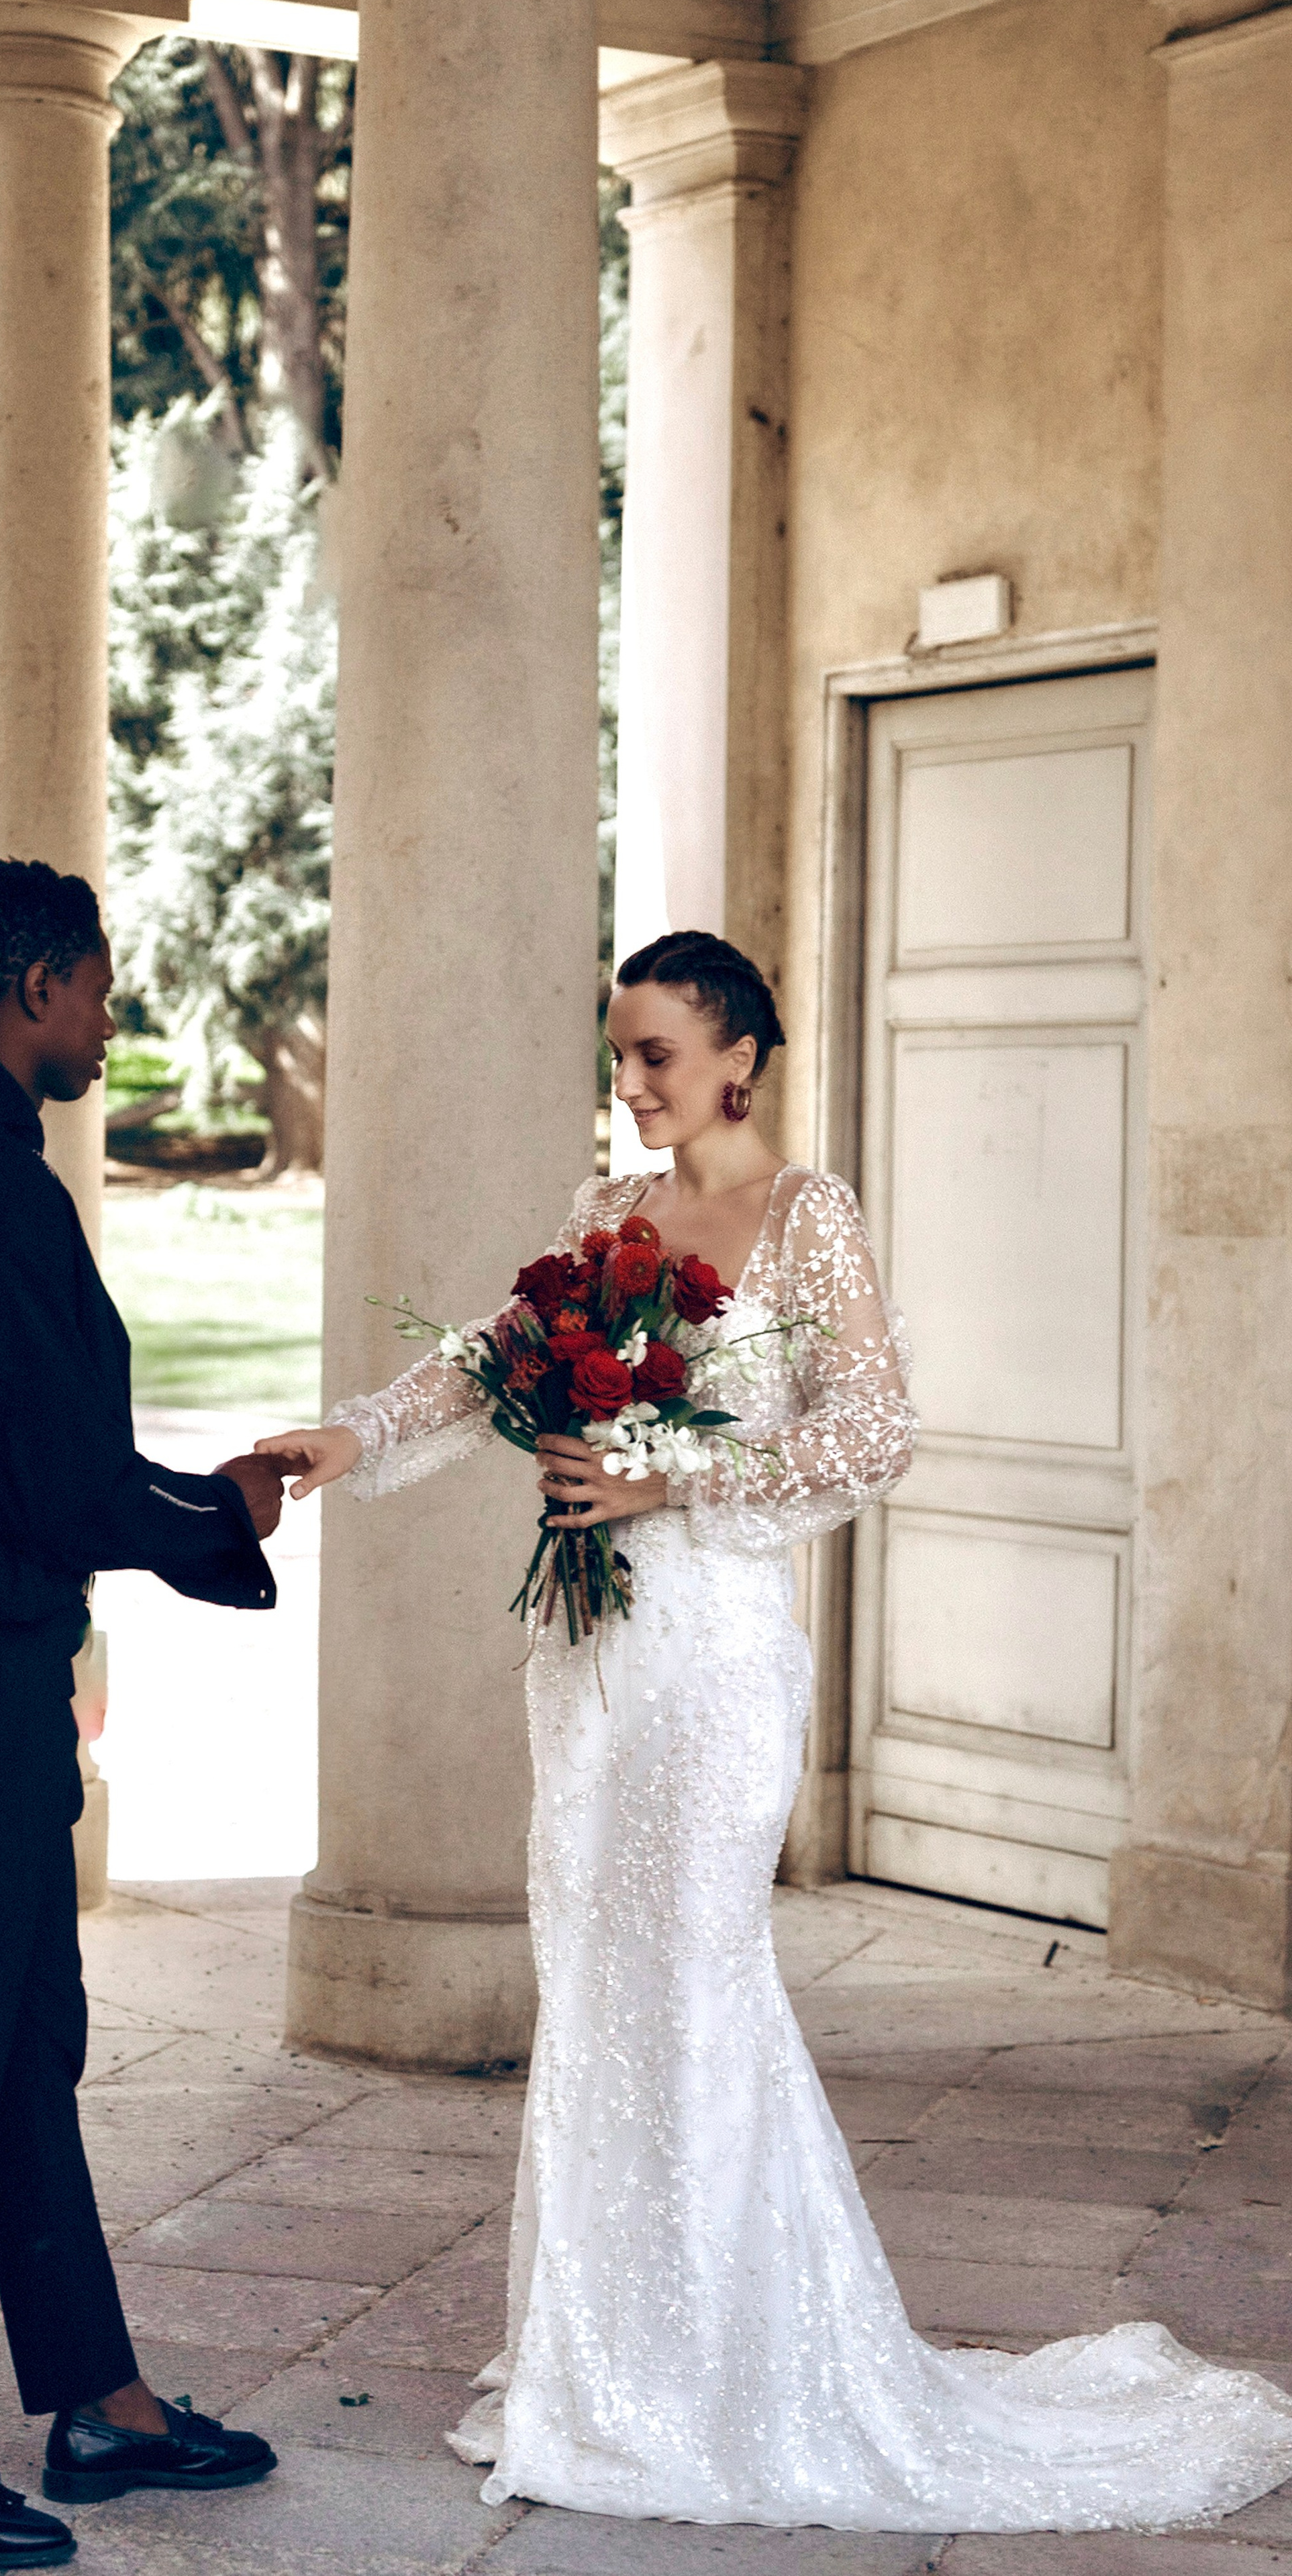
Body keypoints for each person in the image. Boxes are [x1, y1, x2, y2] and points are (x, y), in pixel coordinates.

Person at [257, 930, 1292, 2533]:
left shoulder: (808, 1217)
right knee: (595, 1978)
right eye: (618, 1054)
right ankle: (601, 2363)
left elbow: (873, 1430)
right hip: (587, 1649)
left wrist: (669, 1481)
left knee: (692, 1972)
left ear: (736, 1055)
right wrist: (349, 1433)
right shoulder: (603, 1219)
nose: (631, 1082)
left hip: (718, 1658)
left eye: (654, 1055)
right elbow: (485, 1364)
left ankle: (742, 2368)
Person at [0, 859, 291, 2569]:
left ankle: (98, 2397)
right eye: (97, 987)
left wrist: (160, 1530)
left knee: (21, 2039)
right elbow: (52, 1470)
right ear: (32, 988)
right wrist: (218, 1515)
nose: (110, 1017)